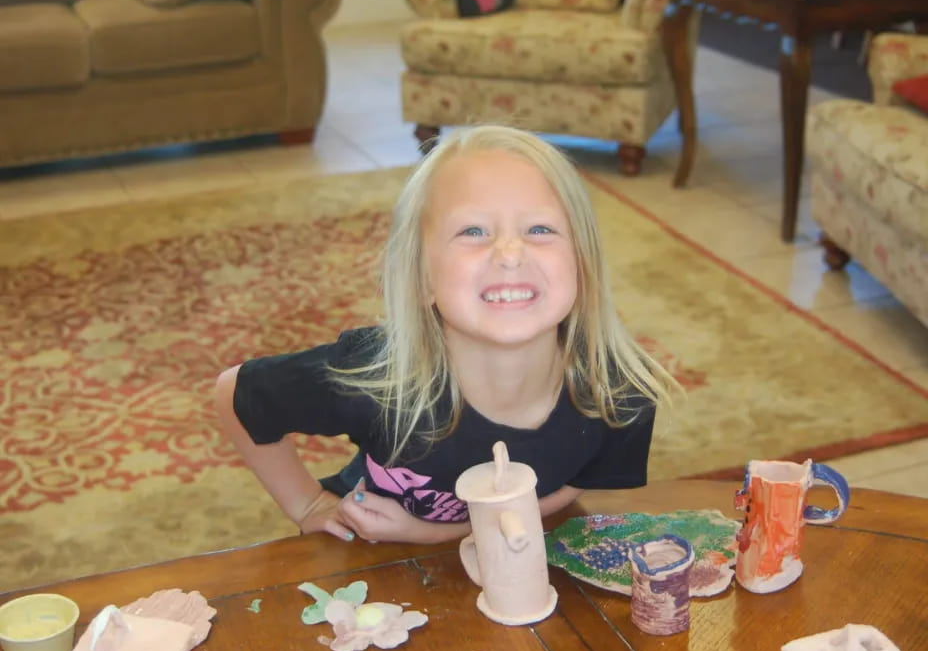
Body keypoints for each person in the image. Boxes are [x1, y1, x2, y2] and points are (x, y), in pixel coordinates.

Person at [214, 125, 680, 545]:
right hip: (371, 557)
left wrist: (436, 533)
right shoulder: (374, 376)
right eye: (473, 231)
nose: (510, 252)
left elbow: (577, 484)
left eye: (539, 228)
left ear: (583, 264)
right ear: (422, 279)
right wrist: (308, 505)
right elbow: (235, 392)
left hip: (519, 556)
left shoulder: (619, 391)